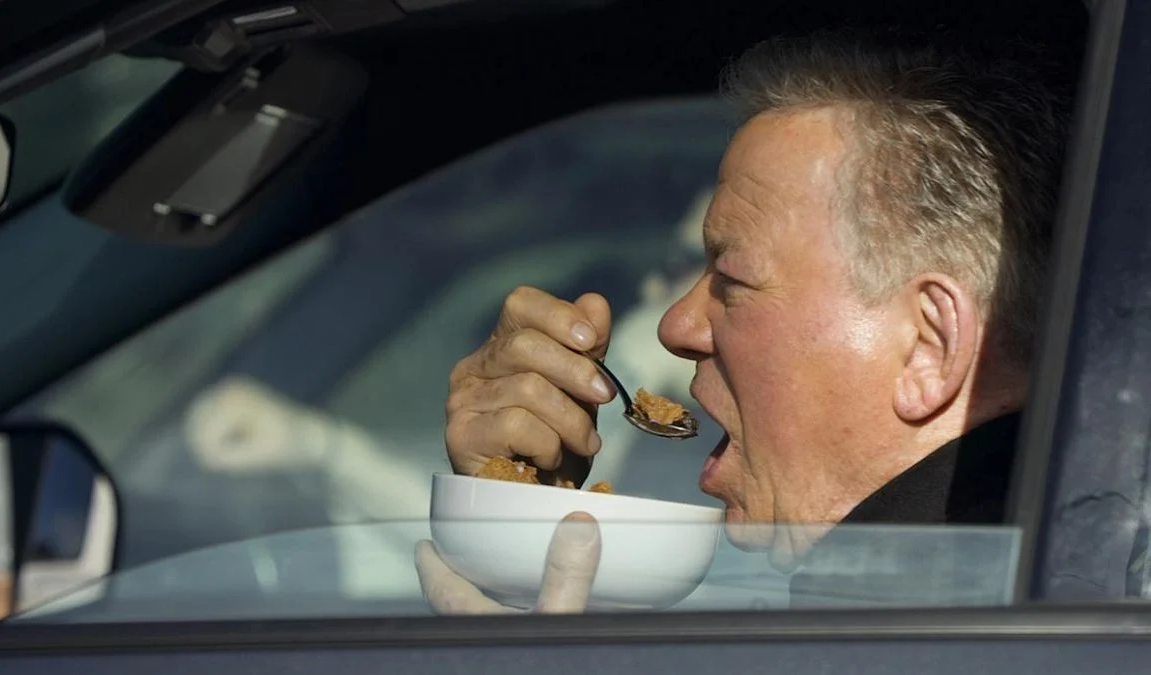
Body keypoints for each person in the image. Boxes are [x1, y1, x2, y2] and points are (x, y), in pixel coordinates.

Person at [415, 28, 1075, 613]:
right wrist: (518, 522)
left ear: (928, 345)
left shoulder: (957, 631)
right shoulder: (1032, 581)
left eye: (732, 281)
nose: (675, 326)